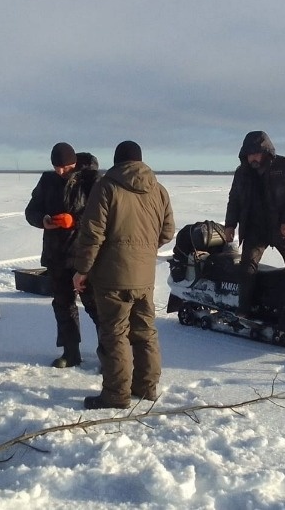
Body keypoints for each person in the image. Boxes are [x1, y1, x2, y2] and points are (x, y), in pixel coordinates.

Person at [73, 140, 175, 409]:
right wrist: (142, 251)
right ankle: (146, 387)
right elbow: (167, 232)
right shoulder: (158, 190)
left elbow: (92, 233)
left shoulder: (106, 187)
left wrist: (82, 269)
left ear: (117, 161)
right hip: (144, 276)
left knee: (115, 333)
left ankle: (116, 394)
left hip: (112, 276)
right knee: (145, 331)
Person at [25, 143, 100, 368]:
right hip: (56, 254)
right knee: (63, 304)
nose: (60, 171)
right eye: (56, 167)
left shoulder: (91, 180)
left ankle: (109, 354)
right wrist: (43, 220)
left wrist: (74, 220)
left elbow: (100, 215)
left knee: (95, 305)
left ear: (74, 162)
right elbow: (31, 211)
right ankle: (71, 351)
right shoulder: (47, 181)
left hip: (84, 255)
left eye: (65, 167)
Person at [224, 130, 285, 318]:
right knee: (247, 268)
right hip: (256, 228)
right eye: (249, 154)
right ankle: (245, 309)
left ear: (266, 151)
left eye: (256, 153)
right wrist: (230, 225)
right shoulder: (242, 173)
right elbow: (234, 199)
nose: (252, 158)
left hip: (284, 229)